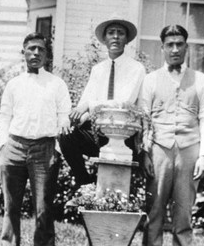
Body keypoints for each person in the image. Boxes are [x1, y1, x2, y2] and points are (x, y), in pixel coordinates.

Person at [0, 32, 72, 246]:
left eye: (40, 50)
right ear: (23, 52)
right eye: (31, 49)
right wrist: (4, 145)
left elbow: (64, 116)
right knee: (11, 205)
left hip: (44, 148)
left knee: (43, 206)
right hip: (14, 146)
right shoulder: (14, 84)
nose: (35, 53)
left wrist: (56, 148)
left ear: (47, 55)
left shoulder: (57, 84)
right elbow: (4, 116)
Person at [140, 25, 204, 246]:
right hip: (159, 151)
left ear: (186, 47)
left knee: (183, 213)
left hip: (189, 152)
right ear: (162, 47)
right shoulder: (150, 80)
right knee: (155, 211)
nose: (174, 49)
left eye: (179, 44)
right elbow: (144, 120)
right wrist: (144, 153)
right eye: (169, 44)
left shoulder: (201, 80)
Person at [58, 14, 146, 186]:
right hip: (98, 133)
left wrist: (88, 106)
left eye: (120, 33)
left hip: (124, 134)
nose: (115, 36)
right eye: (111, 33)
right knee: (66, 136)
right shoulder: (98, 70)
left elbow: (124, 102)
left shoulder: (136, 69)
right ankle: (84, 181)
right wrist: (72, 121)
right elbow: (85, 103)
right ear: (104, 39)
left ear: (126, 39)